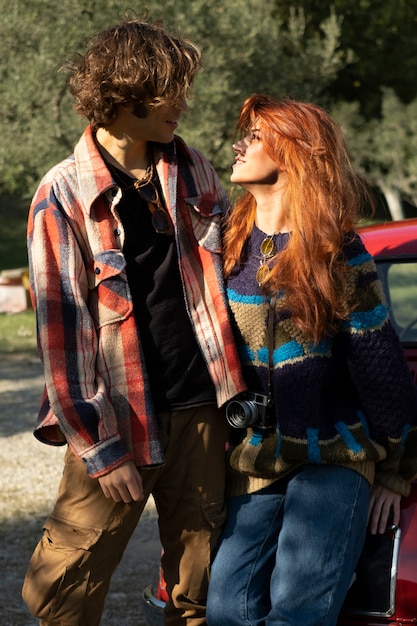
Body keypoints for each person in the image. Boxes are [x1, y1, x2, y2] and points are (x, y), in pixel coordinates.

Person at [22, 17, 246, 626]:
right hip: (117, 419)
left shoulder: (193, 169)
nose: (182, 104)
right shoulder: (64, 192)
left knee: (198, 590)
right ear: (124, 93)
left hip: (202, 410)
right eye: (168, 90)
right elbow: (62, 333)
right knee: (65, 591)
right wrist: (100, 449)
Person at [206, 94, 417, 626]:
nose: (239, 144)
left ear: (294, 152)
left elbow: (379, 364)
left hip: (336, 458)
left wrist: (396, 471)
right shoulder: (228, 243)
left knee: (299, 612)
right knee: (226, 611)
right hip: (255, 459)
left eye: (254, 136)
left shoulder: (334, 250)